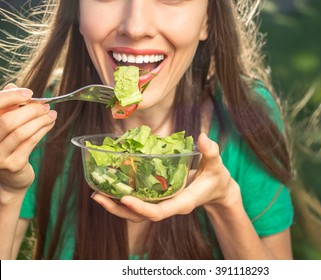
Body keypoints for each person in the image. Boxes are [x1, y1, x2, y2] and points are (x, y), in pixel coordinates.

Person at [0, 0, 294, 260]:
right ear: (76, 9)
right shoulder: (38, 121)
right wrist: (6, 191)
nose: (136, 27)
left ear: (207, 19)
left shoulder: (244, 114)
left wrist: (225, 202)